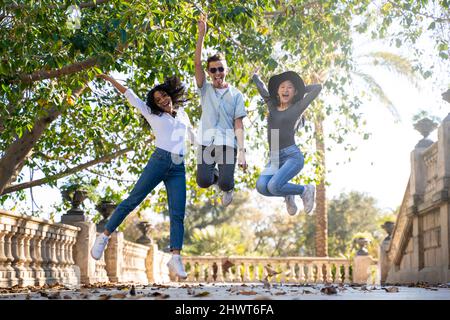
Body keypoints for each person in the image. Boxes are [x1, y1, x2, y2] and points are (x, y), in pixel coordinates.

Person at [90, 74, 195, 280]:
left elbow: (194, 137)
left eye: (164, 95)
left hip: (178, 166)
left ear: (170, 94)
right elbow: (130, 96)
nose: (163, 100)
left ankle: (175, 257)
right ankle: (104, 236)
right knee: (133, 200)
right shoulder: (152, 114)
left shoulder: (182, 114)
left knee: (177, 213)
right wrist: (110, 79)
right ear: (154, 104)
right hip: (159, 161)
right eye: (158, 100)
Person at [252, 68, 322, 215]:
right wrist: (255, 76)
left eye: (290, 87)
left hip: (292, 156)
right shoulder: (272, 106)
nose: (285, 90)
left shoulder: (298, 107)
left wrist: (301, 89)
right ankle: (288, 194)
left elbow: (317, 88)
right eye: (282, 87)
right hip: (275, 158)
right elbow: (262, 88)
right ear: (277, 91)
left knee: (273, 186)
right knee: (261, 186)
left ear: (294, 92)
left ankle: (305, 190)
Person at [194, 14, 247, 207]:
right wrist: (201, 35)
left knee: (225, 183)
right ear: (209, 73)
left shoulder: (236, 95)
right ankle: (217, 177)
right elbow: (197, 64)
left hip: (227, 143)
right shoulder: (205, 89)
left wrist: (242, 151)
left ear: (226, 70)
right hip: (206, 141)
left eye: (220, 69)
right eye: (213, 70)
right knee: (203, 181)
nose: (217, 73)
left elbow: (238, 124)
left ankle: (228, 186)